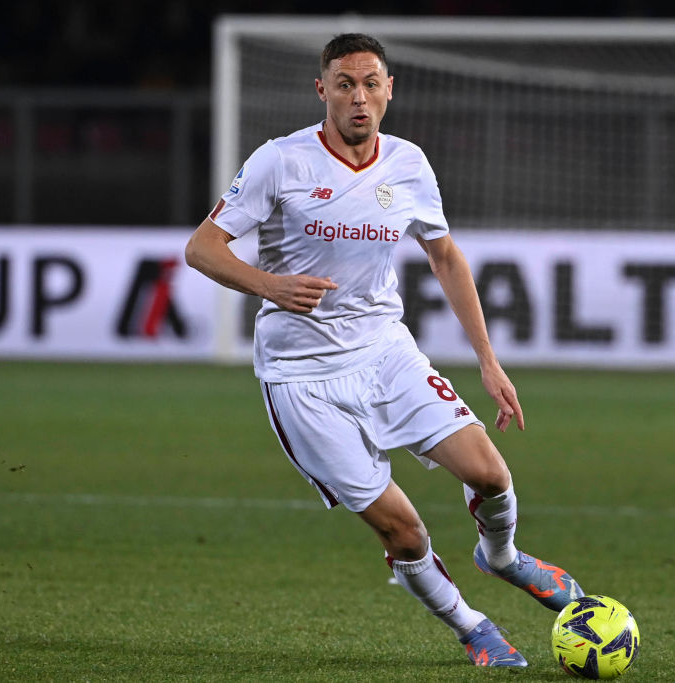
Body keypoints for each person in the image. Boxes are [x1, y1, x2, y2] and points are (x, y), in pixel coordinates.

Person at [185, 32, 583, 668]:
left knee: (491, 475)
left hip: (385, 353)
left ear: (390, 89)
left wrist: (487, 359)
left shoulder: (408, 164)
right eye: (345, 84)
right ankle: (471, 626)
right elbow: (201, 248)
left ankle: (502, 557)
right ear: (323, 91)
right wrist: (270, 286)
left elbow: (445, 255)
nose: (359, 98)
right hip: (300, 376)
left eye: (371, 83)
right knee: (404, 530)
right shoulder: (279, 161)